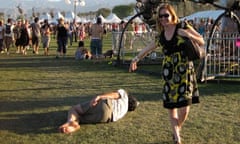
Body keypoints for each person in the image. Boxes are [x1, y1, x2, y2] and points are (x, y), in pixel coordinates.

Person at [129, 3, 204, 144]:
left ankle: (177, 129)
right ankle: (177, 137)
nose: (163, 18)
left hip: (185, 72)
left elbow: (201, 40)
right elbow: (148, 48)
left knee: (185, 109)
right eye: (161, 16)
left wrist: (187, 34)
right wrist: (136, 59)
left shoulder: (183, 26)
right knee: (171, 107)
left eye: (166, 15)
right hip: (169, 73)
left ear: (172, 15)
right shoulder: (161, 36)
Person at [59, 89, 139, 134]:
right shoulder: (124, 111)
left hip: (106, 104)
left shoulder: (124, 95)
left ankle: (70, 122)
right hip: (107, 118)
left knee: (74, 109)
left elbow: (115, 95)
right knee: (79, 117)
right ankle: (74, 125)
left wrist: (100, 97)